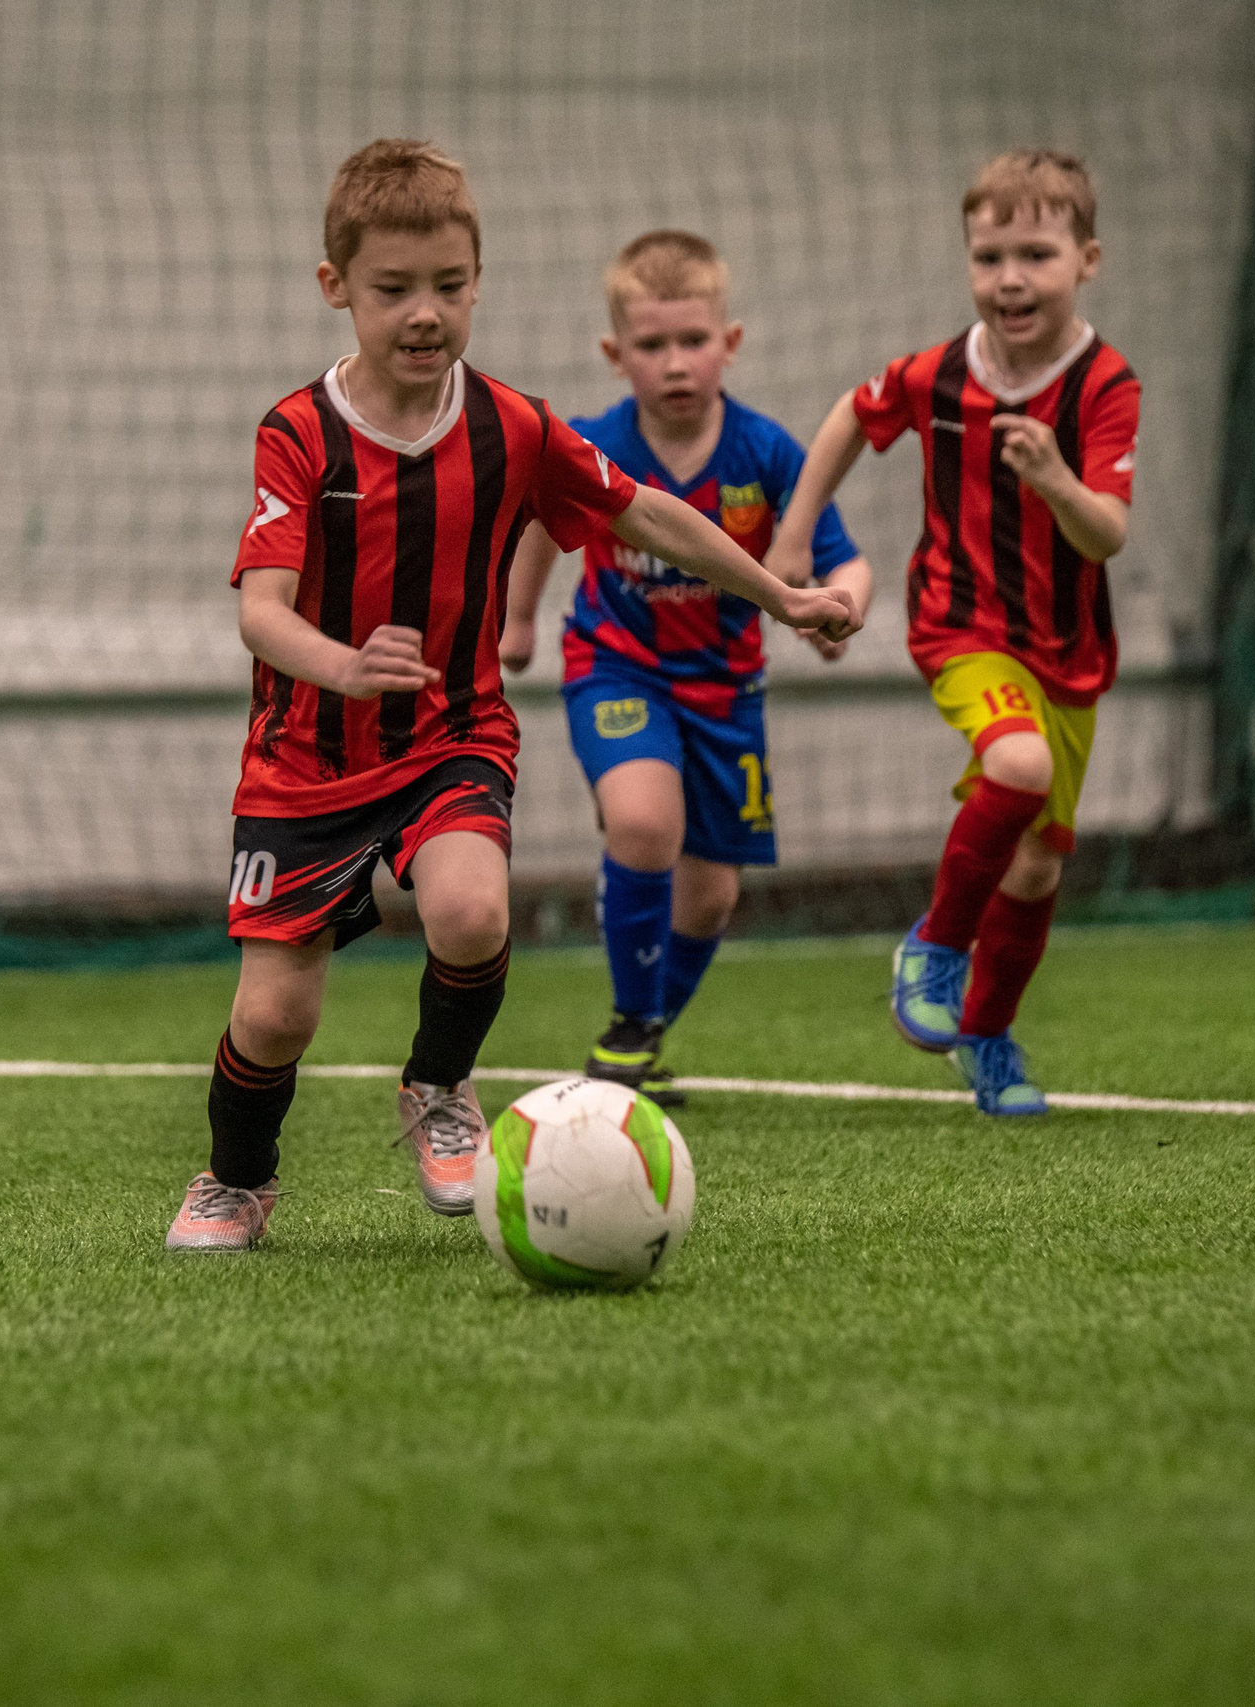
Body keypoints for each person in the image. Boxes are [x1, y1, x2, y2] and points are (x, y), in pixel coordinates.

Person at [166, 141, 856, 1252]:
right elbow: (261, 608)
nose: (424, 312)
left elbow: (646, 515)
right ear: (335, 287)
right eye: (393, 289)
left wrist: (778, 593)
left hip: (450, 733)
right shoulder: (296, 433)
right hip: (306, 759)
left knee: (472, 911)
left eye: (449, 284)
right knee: (275, 1014)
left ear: (479, 281)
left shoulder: (516, 428)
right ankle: (236, 1180)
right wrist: (342, 665)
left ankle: (438, 1086)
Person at [769, 150, 1140, 1118]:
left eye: (1036, 254)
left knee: (1038, 864)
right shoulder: (939, 374)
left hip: (1068, 649)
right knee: (1014, 767)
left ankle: (985, 1039)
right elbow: (855, 412)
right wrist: (796, 533)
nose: (1009, 278)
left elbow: (1107, 530)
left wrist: (1057, 479)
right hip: (959, 621)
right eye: (988, 257)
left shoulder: (1103, 386)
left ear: (1085, 260)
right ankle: (932, 947)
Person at [498, 231, 871, 1105]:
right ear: (614, 353)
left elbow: (846, 558)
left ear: (729, 344)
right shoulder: (593, 443)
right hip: (615, 667)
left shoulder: (767, 452)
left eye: (693, 341)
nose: (675, 363)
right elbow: (542, 527)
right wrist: (517, 621)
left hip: (727, 691)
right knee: (642, 823)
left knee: (709, 896)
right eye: (652, 345)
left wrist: (843, 606)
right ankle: (628, 1032)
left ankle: (647, 1028)